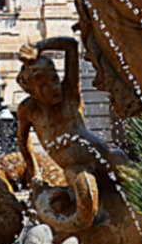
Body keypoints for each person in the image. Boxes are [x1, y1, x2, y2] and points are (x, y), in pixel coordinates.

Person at [16, 36, 128, 211]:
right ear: (32, 91)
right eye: (44, 85)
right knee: (84, 194)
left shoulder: (69, 91)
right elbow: (23, 142)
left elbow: (71, 45)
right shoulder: (28, 110)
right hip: (75, 170)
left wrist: (39, 47)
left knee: (121, 161)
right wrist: (34, 171)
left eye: (54, 79)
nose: (54, 87)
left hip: (103, 158)